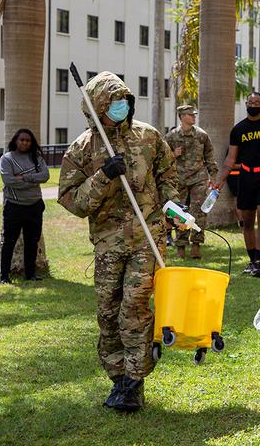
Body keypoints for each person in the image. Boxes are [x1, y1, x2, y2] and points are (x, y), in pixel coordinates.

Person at [58, 72, 180, 413]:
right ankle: (117, 377)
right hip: (108, 243)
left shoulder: (149, 137)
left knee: (135, 309)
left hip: (147, 238)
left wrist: (172, 205)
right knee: (109, 312)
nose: (120, 106)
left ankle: (133, 383)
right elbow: (73, 201)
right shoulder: (83, 148)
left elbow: (168, 175)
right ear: (97, 106)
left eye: (124, 100)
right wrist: (103, 176)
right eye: (112, 102)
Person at [214, 92, 260, 278]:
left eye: (256, 102)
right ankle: (252, 260)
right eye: (250, 102)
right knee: (247, 221)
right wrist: (220, 180)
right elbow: (230, 159)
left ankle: (259, 261)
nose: (253, 104)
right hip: (246, 177)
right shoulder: (238, 129)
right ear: (246, 104)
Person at [165, 105, 219, 259]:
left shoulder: (201, 135)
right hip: (179, 179)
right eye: (190, 114)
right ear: (181, 116)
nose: (193, 116)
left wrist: (213, 176)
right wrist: (173, 155)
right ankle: (180, 246)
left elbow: (209, 156)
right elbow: (161, 159)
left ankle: (196, 245)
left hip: (198, 178)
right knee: (180, 213)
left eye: (194, 114)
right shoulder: (171, 136)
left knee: (199, 211)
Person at [0, 128, 50, 284]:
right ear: (16, 141)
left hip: (35, 206)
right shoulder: (6, 159)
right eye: (22, 140)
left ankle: (30, 274)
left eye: (28, 140)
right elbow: (8, 181)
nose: (25, 143)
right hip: (14, 207)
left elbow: (45, 176)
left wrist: (25, 177)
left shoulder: (37, 158)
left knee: (32, 241)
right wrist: (33, 181)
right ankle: (4, 276)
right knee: (9, 242)